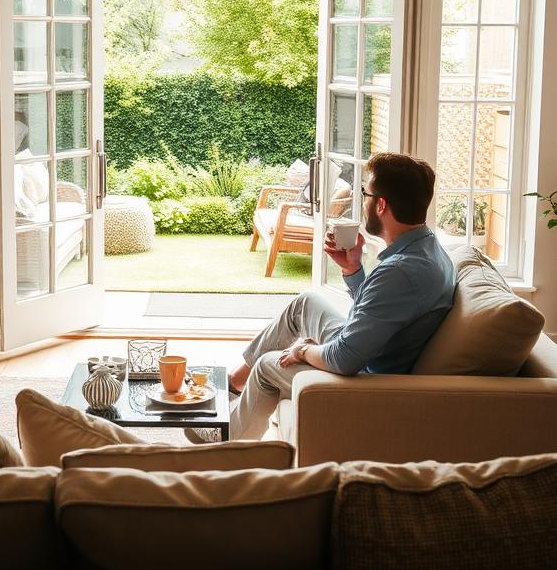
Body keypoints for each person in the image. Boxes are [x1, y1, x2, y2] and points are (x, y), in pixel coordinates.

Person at [188, 152, 456, 443]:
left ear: (381, 204)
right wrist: (352, 269)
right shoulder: (427, 249)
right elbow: (379, 312)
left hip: (369, 380)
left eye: (366, 192)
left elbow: (344, 359)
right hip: (371, 347)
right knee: (306, 303)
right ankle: (234, 384)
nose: (363, 201)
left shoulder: (400, 271)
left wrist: (303, 351)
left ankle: (228, 440)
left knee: (269, 365)